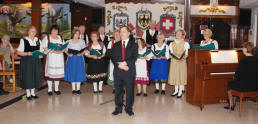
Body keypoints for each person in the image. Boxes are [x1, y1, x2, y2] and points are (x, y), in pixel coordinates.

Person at [111, 26, 138, 116]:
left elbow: (134, 58)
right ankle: (118, 108)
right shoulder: (116, 45)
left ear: (128, 33)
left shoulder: (134, 45)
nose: (121, 33)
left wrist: (125, 63)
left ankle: (129, 108)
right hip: (118, 71)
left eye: (123, 32)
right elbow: (113, 58)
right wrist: (121, 66)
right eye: (121, 32)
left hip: (129, 71)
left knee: (130, 91)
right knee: (118, 90)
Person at [224, 42, 258, 110]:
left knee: (230, 84)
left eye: (243, 48)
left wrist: (235, 78)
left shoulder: (243, 60)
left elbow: (237, 75)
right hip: (255, 85)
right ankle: (232, 103)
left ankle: (232, 105)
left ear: (245, 49)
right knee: (235, 82)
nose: (242, 49)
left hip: (246, 86)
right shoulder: (256, 59)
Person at [17, 26, 43, 100]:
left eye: (34, 31)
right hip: (27, 61)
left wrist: (41, 55)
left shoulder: (38, 40)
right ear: (28, 32)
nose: (33, 33)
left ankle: (33, 93)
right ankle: (28, 94)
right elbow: (19, 52)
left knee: (35, 75)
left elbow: (41, 52)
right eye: (32, 31)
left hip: (36, 61)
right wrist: (27, 53)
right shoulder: (24, 40)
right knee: (28, 76)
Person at [42, 25, 65, 96]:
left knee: (57, 74)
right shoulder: (47, 37)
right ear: (51, 30)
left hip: (59, 58)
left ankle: (56, 89)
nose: (55, 31)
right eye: (54, 30)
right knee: (51, 74)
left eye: (56, 30)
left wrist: (61, 51)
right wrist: (53, 51)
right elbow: (44, 47)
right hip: (51, 57)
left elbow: (64, 47)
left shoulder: (60, 38)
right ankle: (49, 89)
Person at [168, 29, 190, 98]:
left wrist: (182, 59)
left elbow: (187, 53)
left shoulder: (185, 43)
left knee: (180, 76)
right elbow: (170, 52)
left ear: (182, 35)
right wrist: (170, 55)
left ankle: (180, 91)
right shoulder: (172, 43)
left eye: (180, 33)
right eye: (177, 33)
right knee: (175, 75)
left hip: (181, 61)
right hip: (174, 61)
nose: (178, 34)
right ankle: (176, 91)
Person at [64, 28, 87, 95]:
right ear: (73, 34)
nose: (77, 35)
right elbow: (65, 50)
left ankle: (78, 89)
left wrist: (81, 53)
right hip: (71, 59)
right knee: (73, 73)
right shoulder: (69, 41)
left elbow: (84, 50)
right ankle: (73, 89)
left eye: (78, 34)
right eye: (76, 33)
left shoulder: (81, 41)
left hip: (79, 59)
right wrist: (68, 54)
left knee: (79, 73)